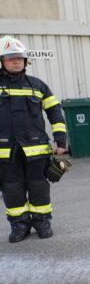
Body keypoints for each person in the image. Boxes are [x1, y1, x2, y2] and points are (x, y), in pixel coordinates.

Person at [0, 36, 67, 243]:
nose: (16, 61)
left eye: (20, 57)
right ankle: (19, 225)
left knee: (39, 186)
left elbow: (55, 111)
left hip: (36, 149)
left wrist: (60, 139)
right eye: (10, 58)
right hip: (5, 151)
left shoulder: (38, 85)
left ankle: (42, 222)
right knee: (12, 189)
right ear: (2, 61)